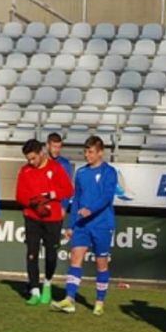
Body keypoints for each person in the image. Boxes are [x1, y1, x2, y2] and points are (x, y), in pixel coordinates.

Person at [51, 136, 117, 316]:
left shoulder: (109, 172)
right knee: (75, 258)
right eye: (86, 152)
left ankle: (99, 301)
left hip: (102, 224)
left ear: (100, 152)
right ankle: (70, 299)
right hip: (82, 225)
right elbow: (77, 199)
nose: (87, 155)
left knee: (101, 263)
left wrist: (91, 210)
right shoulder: (80, 173)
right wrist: (72, 225)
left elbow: (107, 197)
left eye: (91, 152)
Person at [15, 138, 74, 306]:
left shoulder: (56, 168)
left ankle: (47, 284)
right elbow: (19, 195)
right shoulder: (25, 171)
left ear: (41, 153)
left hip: (52, 218)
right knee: (32, 253)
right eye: (28, 159)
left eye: (33, 158)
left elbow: (69, 190)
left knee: (50, 255)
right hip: (32, 217)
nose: (31, 162)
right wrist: (34, 203)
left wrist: (49, 196)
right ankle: (34, 290)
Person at [47, 132, 75, 215]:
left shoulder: (65, 164)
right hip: (40, 209)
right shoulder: (41, 162)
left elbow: (67, 188)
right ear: (47, 145)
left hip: (57, 209)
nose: (57, 150)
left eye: (59, 147)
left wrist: (64, 207)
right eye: (54, 147)